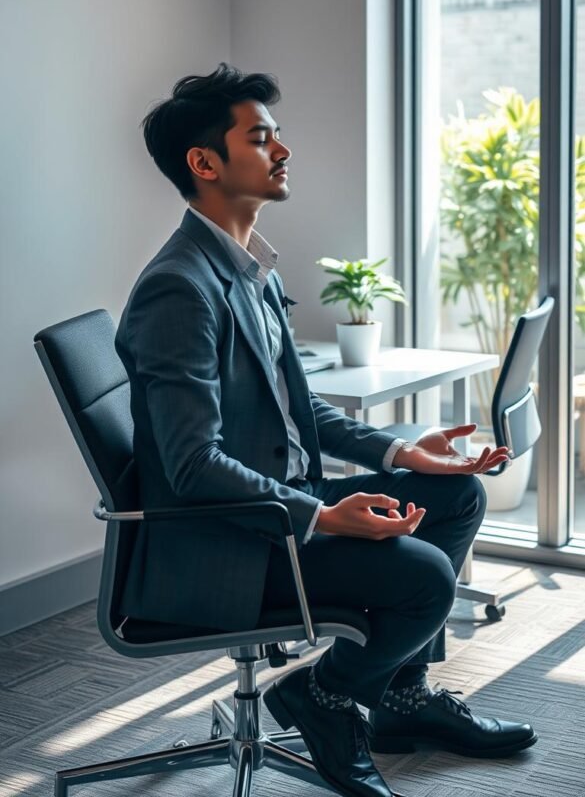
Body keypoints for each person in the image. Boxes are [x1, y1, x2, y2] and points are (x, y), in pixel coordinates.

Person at [115, 63, 537, 797]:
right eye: (262, 138)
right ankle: (323, 694)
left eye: (279, 136)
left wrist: (403, 451)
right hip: (225, 544)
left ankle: (398, 701)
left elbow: (299, 412)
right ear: (204, 162)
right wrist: (320, 515)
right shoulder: (178, 289)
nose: (282, 150)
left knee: (456, 498)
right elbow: (192, 464)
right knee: (424, 578)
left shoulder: (250, 271)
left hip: (272, 514)